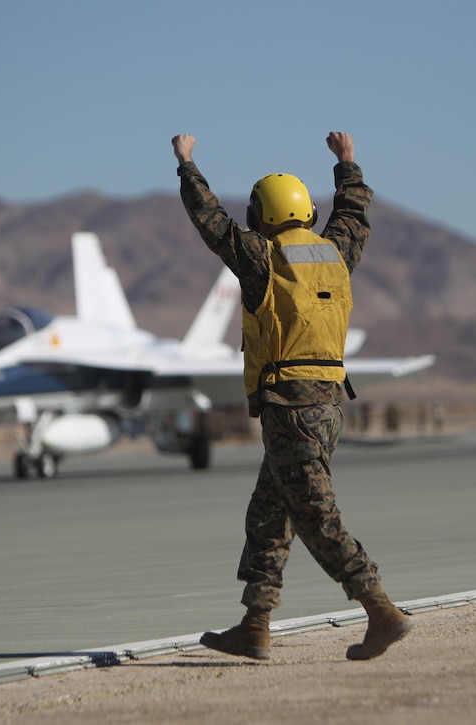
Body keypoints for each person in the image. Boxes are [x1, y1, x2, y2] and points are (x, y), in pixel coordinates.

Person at [171, 131, 412, 661]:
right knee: (269, 512)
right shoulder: (336, 252)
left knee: (314, 516)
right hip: (327, 404)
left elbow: (210, 220)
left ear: (264, 213)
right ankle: (255, 625)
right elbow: (354, 212)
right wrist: (347, 162)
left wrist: (187, 164)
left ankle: (380, 610)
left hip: (289, 406)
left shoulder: (263, 258)